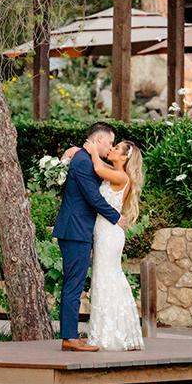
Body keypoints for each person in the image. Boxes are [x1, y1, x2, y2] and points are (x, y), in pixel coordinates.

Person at [53, 122, 129, 352]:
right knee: (73, 285)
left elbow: (102, 176)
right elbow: (93, 198)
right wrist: (116, 217)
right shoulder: (84, 162)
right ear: (98, 140)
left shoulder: (86, 159)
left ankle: (70, 335)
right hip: (75, 231)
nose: (111, 146)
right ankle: (69, 337)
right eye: (110, 142)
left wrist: (76, 150)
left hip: (77, 230)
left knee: (73, 283)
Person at [63, 139, 145, 352]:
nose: (112, 148)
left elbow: (97, 168)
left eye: (116, 148)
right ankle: (103, 331)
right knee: (102, 279)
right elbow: (97, 165)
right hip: (102, 231)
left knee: (108, 278)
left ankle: (111, 334)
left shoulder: (121, 176)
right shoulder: (113, 170)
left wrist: (92, 152)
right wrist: (73, 152)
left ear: (125, 158)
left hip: (109, 233)